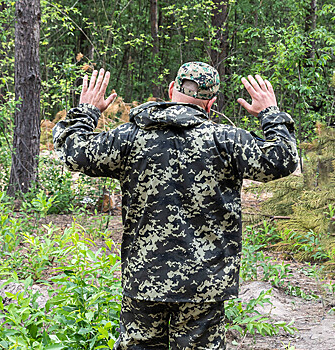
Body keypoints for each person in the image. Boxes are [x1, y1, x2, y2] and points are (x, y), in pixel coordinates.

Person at [52, 62, 299, 349]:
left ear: (171, 90)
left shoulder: (130, 138)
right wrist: (270, 113)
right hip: (204, 285)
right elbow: (283, 158)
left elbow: (72, 150)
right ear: (211, 103)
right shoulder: (227, 141)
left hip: (145, 280)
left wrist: (87, 110)